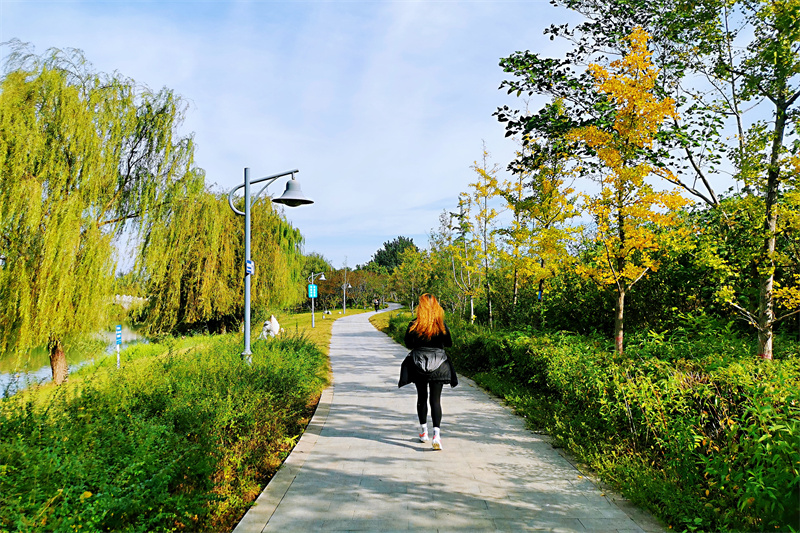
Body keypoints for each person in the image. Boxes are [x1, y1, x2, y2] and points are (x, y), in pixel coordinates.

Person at [398, 293, 457, 450]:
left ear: (420, 306)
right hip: (439, 365)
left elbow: (408, 343)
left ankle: (424, 432)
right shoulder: (441, 325)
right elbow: (449, 343)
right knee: (435, 400)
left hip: (419, 365)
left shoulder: (414, 324)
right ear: (436, 306)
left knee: (422, 397)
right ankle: (436, 434)